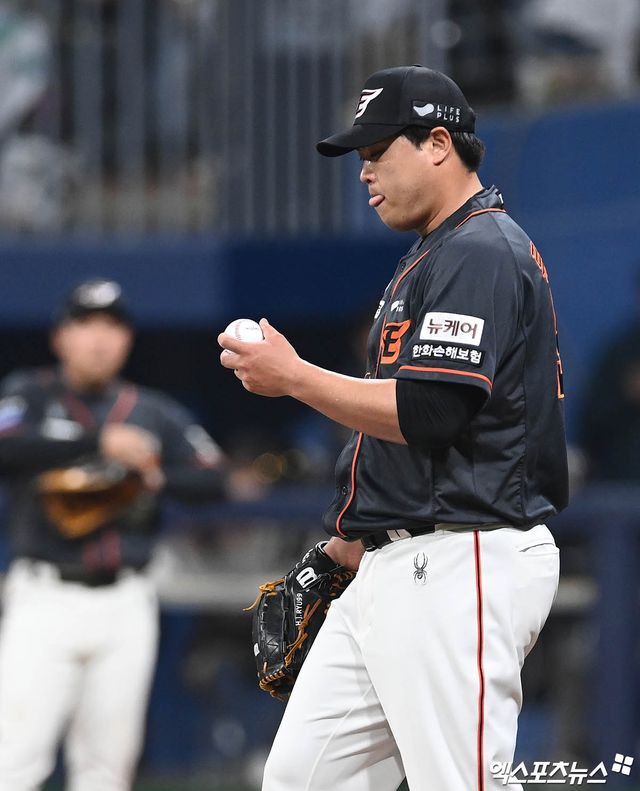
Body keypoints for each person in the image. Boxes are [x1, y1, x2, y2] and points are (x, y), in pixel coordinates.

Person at [219, 65, 568, 791]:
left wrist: (294, 377)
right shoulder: (432, 256)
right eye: (361, 157)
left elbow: (430, 413)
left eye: (379, 151)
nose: (365, 171)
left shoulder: (481, 251)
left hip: (463, 555)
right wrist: (354, 538)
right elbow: (400, 420)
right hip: (398, 557)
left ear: (438, 143)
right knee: (302, 777)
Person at [0, 278, 237, 791]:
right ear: (60, 336)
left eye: (112, 326)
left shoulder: (153, 412)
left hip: (125, 601)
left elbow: (215, 478)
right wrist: (96, 441)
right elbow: (7, 445)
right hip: (44, 597)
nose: (99, 338)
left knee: (107, 772)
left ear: (127, 339)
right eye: (85, 324)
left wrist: (153, 474)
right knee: (15, 764)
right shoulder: (29, 394)